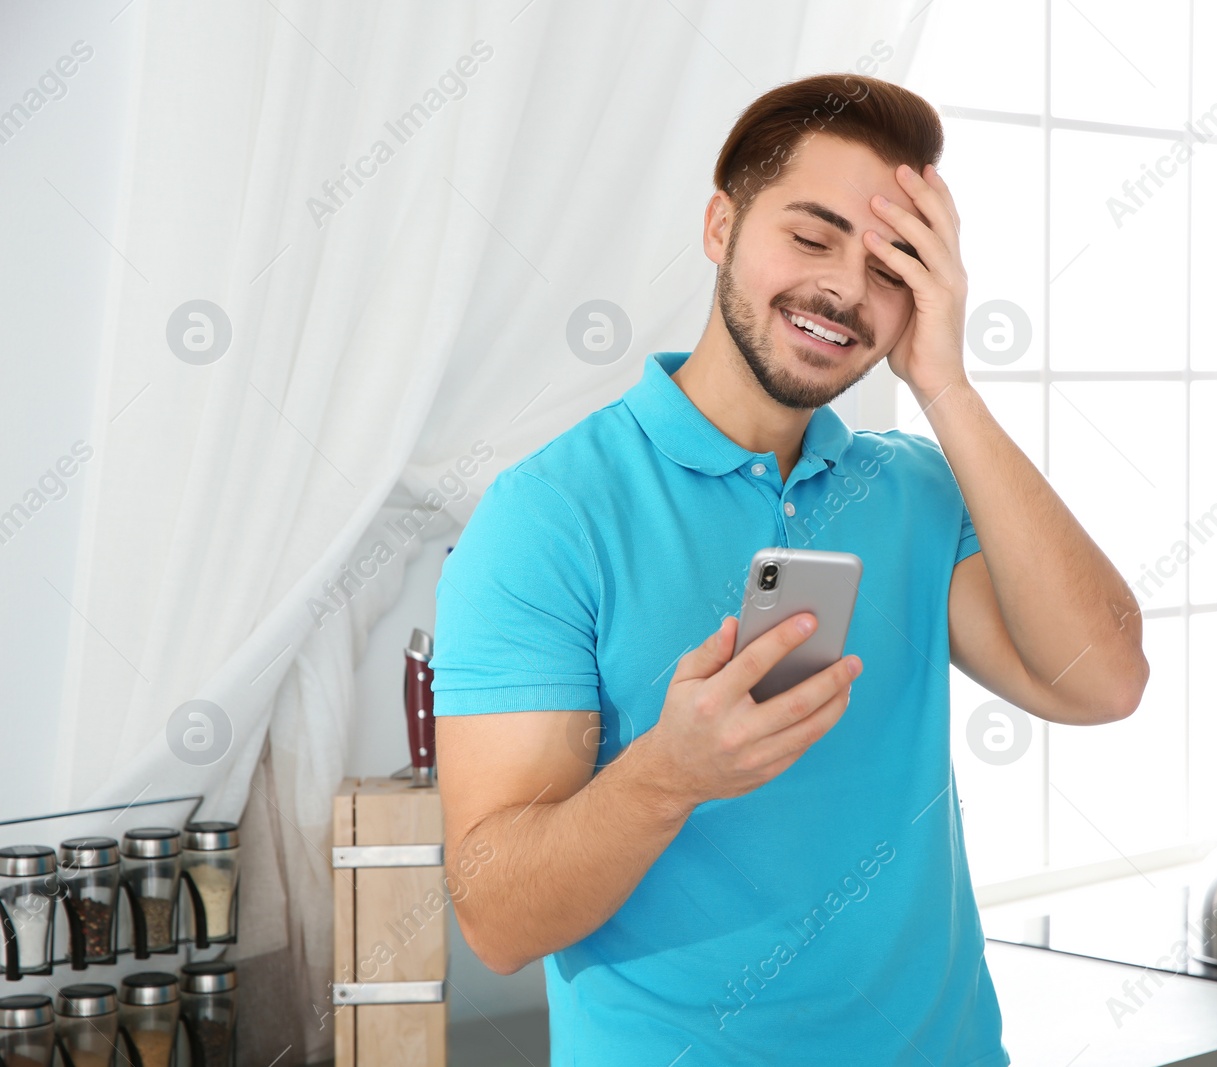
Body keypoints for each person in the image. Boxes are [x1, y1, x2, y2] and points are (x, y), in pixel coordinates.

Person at [430, 71, 1148, 1066]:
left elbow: (1104, 680)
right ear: (721, 225)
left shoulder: (918, 492)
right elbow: (496, 920)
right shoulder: (551, 514)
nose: (848, 288)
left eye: (894, 264)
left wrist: (944, 383)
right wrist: (666, 775)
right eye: (810, 238)